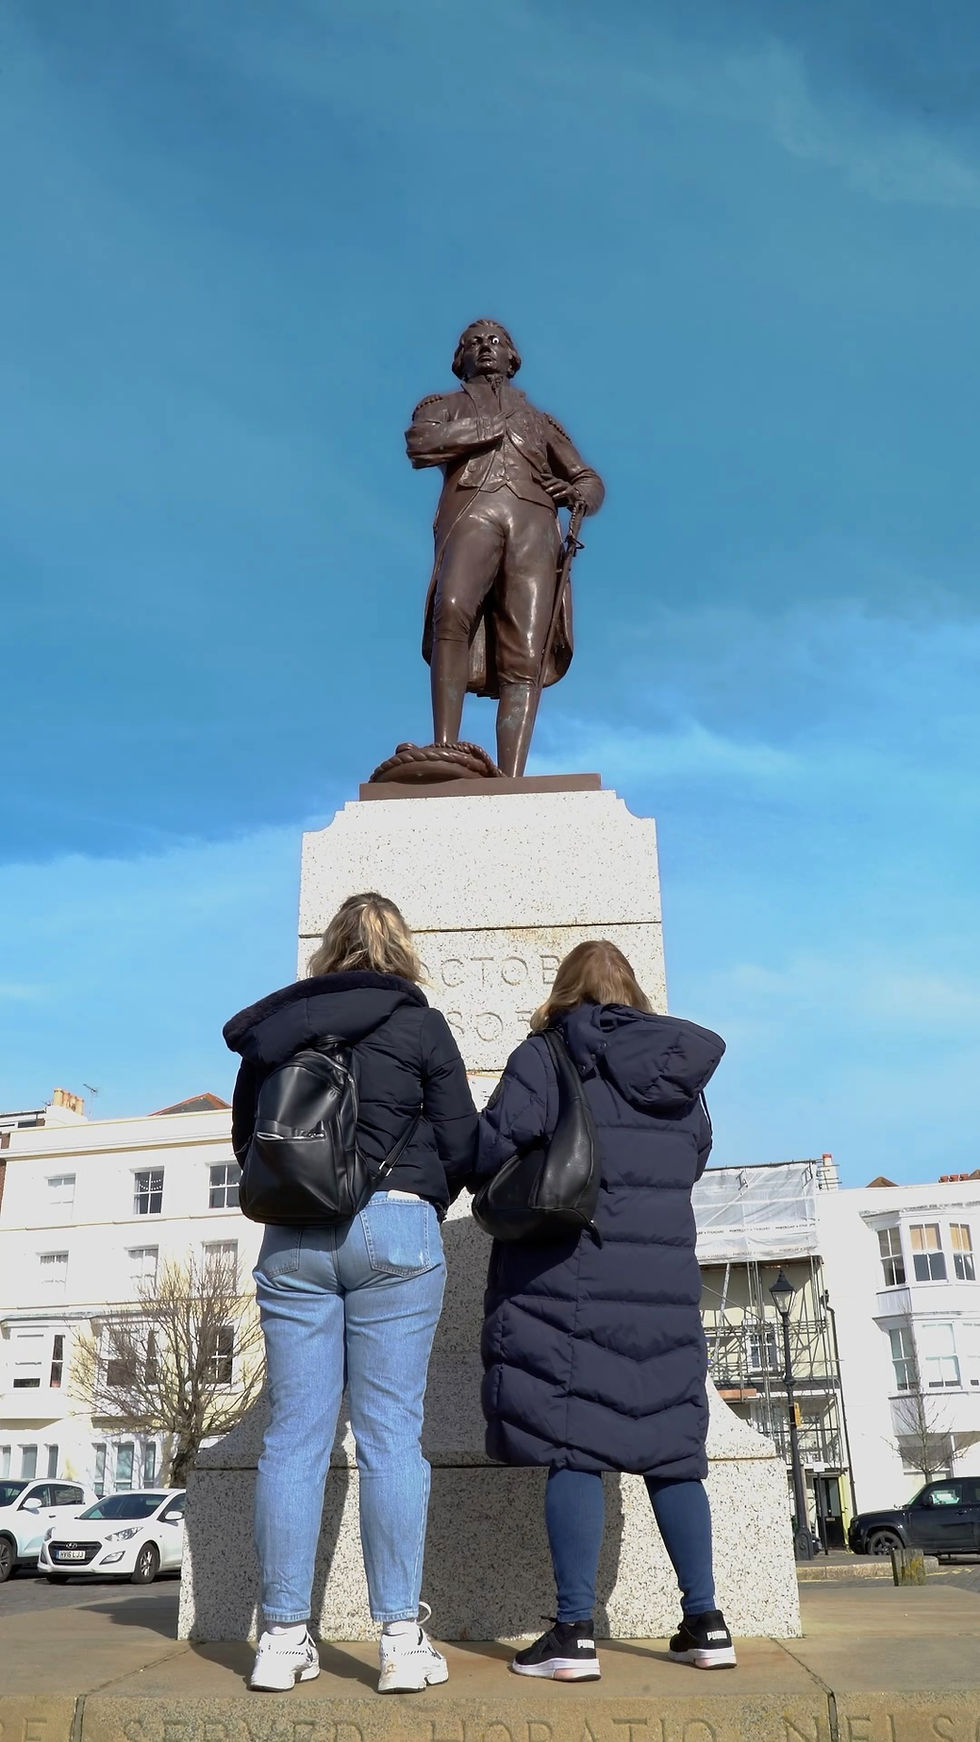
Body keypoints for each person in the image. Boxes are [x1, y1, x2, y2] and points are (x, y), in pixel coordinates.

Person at [224, 893, 478, 1694]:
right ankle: (400, 1643)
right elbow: (463, 1141)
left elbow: (247, 1141)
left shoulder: (275, 1031)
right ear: (401, 950)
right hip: (396, 1228)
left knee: (294, 1439)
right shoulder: (420, 1025)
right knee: (390, 1440)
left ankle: (281, 1639)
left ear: (327, 951)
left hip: (294, 1237)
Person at [474, 940, 736, 1680]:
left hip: (571, 1278)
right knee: (675, 1454)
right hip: (661, 1289)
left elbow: (495, 1144)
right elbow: (692, 1158)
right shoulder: (681, 1075)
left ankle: (573, 1634)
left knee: (574, 1444)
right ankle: (706, 1622)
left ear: (566, 992)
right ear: (632, 991)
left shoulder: (548, 1054)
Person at [406, 318, 604, 777]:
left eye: (495, 341)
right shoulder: (445, 405)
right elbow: (420, 444)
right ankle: (445, 749)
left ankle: (513, 777)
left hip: (534, 523)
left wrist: (579, 495)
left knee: (525, 651)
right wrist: (488, 428)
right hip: (473, 511)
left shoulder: (540, 421)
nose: (486, 347)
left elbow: (588, 477)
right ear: (461, 359)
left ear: (513, 357)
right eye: (474, 343)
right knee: (451, 610)